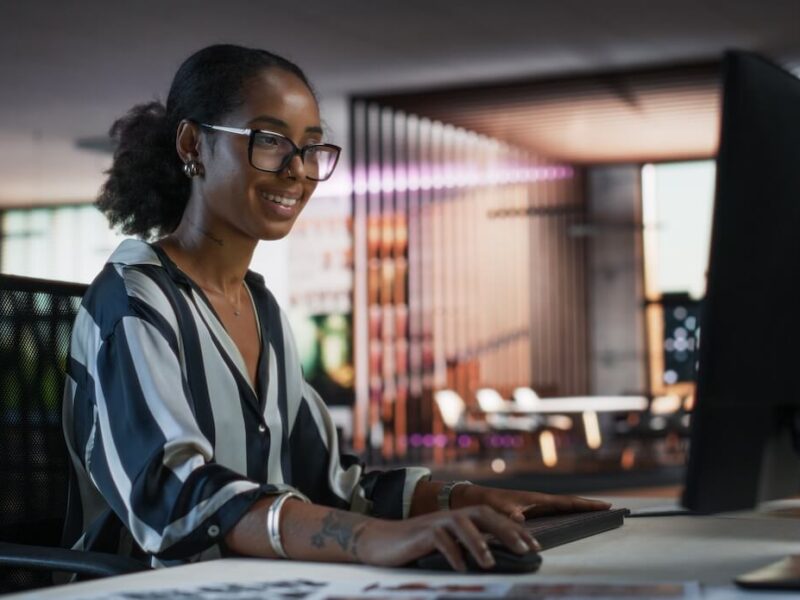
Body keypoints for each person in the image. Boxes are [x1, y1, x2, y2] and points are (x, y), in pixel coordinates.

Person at [63, 44, 609, 573]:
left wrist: (469, 498)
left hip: (268, 582)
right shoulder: (133, 300)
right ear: (192, 146)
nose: (298, 170)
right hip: (157, 586)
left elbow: (329, 486)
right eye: (271, 141)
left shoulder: (261, 307)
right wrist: (371, 540)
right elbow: (175, 499)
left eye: (310, 148)